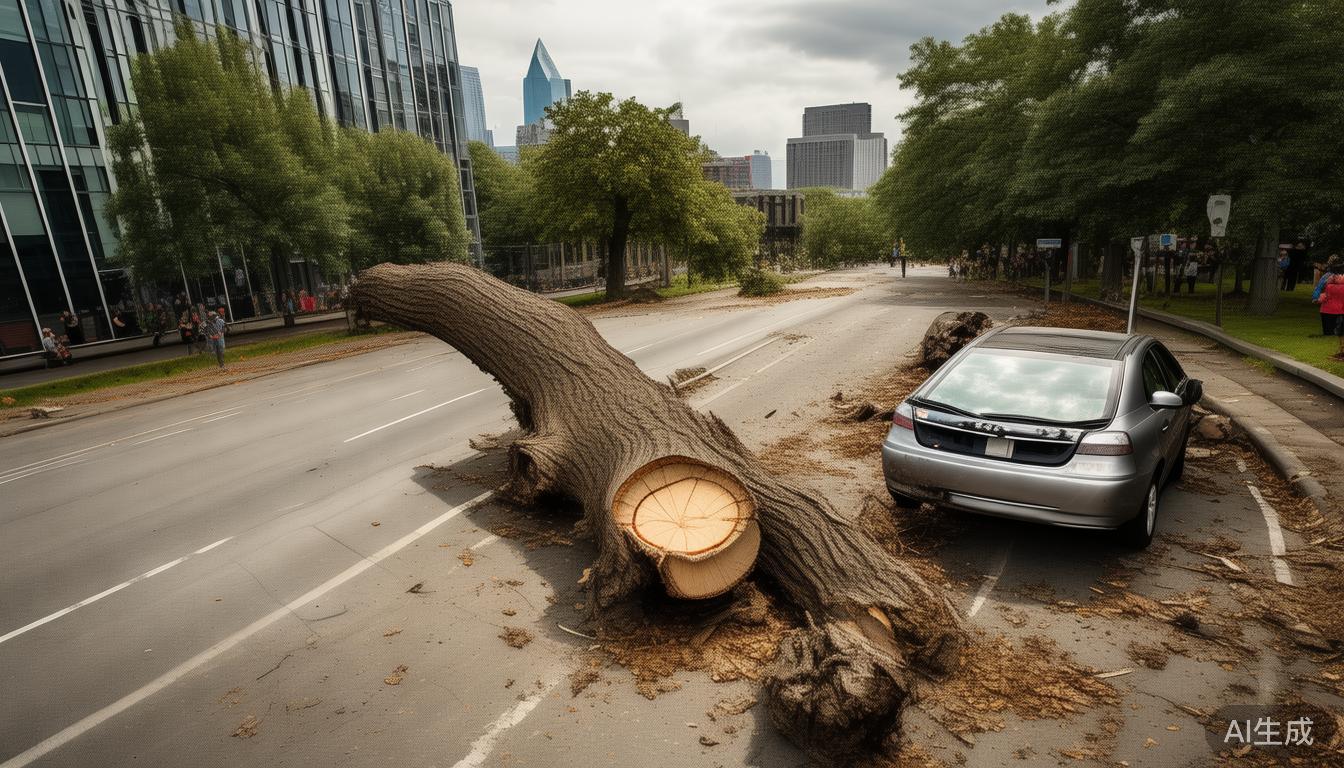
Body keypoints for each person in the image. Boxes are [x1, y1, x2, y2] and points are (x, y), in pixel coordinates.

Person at [1314, 256, 1344, 336]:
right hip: (1339, 309)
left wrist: (1315, 298)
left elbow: (1319, 287)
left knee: (1328, 332)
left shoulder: (1326, 277)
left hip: (1327, 309)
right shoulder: (1328, 277)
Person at [1321, 274, 1344, 360]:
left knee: (1341, 331)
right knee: (1340, 331)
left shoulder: (1330, 287)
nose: (1336, 276)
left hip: (1340, 311)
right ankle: (1342, 351)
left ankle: (1342, 351)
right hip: (1341, 311)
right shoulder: (1332, 287)